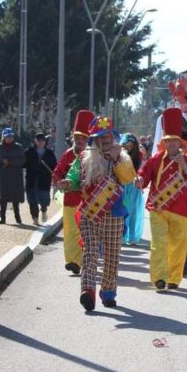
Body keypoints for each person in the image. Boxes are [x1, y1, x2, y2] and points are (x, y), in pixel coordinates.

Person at [57, 116, 135, 311]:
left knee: (111, 255)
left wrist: (117, 159)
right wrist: (68, 183)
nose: (105, 140)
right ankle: (88, 291)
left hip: (114, 213)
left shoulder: (123, 157)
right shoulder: (85, 158)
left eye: (107, 136)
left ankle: (108, 292)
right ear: (94, 140)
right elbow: (74, 177)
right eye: (100, 137)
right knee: (90, 253)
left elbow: (128, 178)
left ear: (113, 137)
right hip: (90, 212)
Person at [136, 107, 187, 290]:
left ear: (180, 143)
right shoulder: (156, 158)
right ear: (164, 142)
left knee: (178, 247)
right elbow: (145, 173)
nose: (171, 144)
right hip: (158, 208)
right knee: (159, 245)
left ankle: (173, 279)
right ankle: (159, 278)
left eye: (174, 141)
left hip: (181, 210)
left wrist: (186, 167)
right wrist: (140, 179)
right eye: (168, 141)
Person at [53, 110, 93, 274]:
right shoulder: (68, 154)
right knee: (70, 233)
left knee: (85, 233)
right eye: (78, 137)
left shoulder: (94, 156)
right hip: (70, 200)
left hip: (89, 202)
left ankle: (84, 260)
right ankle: (73, 261)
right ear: (73, 137)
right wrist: (59, 182)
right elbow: (57, 172)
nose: (81, 140)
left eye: (84, 137)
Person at [0, 127, 25, 224]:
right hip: (3, 176)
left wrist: (10, 162)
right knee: (3, 198)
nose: (9, 138)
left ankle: (18, 218)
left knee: (15, 199)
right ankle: (2, 218)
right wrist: (1, 161)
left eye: (11, 136)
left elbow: (22, 160)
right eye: (7, 136)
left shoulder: (18, 146)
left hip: (15, 176)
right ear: (3, 137)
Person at [23, 132, 57, 225]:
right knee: (32, 201)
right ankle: (35, 218)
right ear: (35, 140)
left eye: (42, 140)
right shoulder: (29, 151)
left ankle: (44, 210)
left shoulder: (49, 153)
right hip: (31, 180)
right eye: (38, 140)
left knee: (44, 200)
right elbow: (23, 163)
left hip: (44, 180)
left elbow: (55, 166)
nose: (41, 142)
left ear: (45, 141)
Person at [120, 133, 145, 245]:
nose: (129, 149)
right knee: (123, 210)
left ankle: (132, 236)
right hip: (123, 186)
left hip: (134, 186)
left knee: (134, 211)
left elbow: (141, 169)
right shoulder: (120, 155)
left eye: (131, 146)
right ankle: (122, 234)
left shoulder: (138, 155)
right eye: (127, 146)